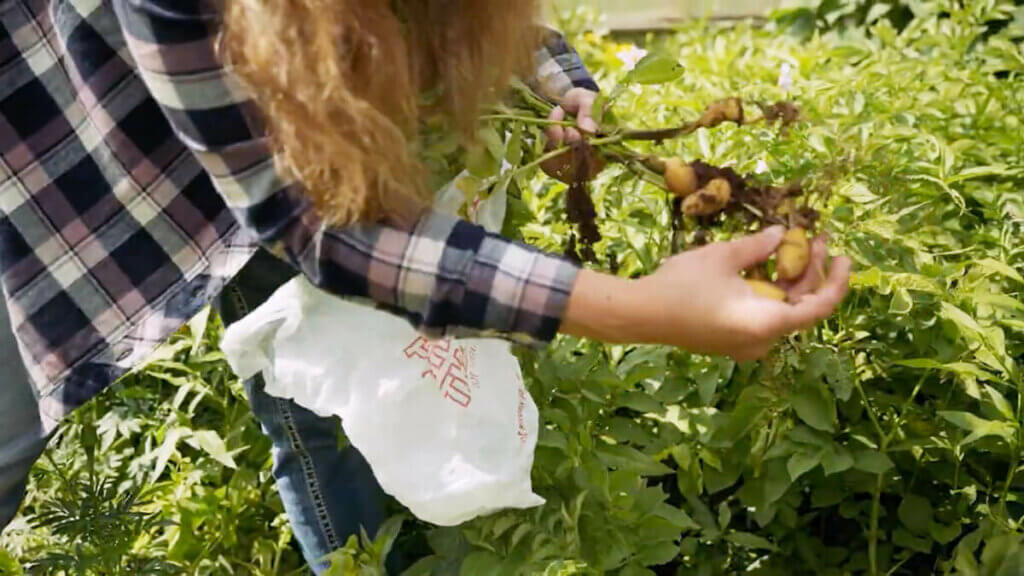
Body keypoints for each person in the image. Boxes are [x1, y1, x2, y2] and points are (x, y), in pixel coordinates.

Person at [0, 0, 850, 572]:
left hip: (267, 141)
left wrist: (561, 84)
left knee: (345, 393)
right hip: (51, 183)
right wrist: (642, 309)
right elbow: (321, 224)